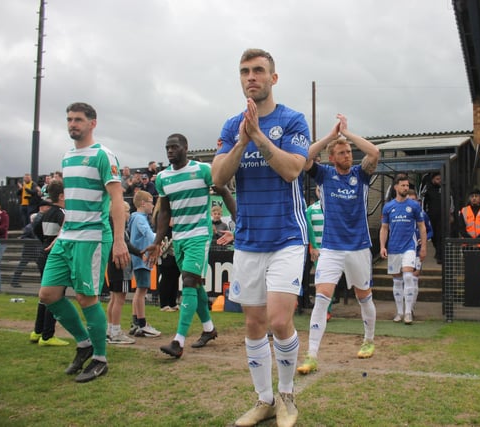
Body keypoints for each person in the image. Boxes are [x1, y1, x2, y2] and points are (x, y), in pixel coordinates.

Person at [212, 48, 309, 427]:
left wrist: (260, 139)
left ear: (273, 78)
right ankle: (263, 400)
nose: (251, 77)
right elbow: (218, 179)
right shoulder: (230, 125)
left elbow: (292, 170)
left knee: (280, 320)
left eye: (258, 71)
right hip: (249, 240)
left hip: (287, 236)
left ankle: (286, 396)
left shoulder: (293, 120)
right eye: (244, 72)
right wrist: (241, 140)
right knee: (253, 324)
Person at [39, 102, 130, 383]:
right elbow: (74, 201)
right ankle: (84, 344)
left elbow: (117, 199)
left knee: (85, 297)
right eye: (68, 119)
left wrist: (118, 241)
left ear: (93, 122)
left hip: (91, 237)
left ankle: (100, 359)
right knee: (48, 295)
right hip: (67, 237)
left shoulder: (103, 155)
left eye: (78, 119)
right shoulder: (67, 156)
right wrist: (60, 234)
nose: (72, 124)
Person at [297, 113, 380, 374]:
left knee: (363, 296)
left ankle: (368, 341)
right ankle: (311, 355)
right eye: (342, 152)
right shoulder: (324, 175)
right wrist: (331, 137)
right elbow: (304, 156)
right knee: (321, 298)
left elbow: (374, 152)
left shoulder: (361, 174)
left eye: (348, 151)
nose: (348, 155)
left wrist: (349, 134)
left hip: (358, 247)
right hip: (331, 248)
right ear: (332, 158)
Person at [146, 133, 235, 359]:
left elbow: (224, 190)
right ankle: (208, 329)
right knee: (194, 286)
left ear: (186, 148)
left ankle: (178, 341)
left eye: (174, 147)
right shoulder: (163, 178)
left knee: (188, 281)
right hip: (180, 237)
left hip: (199, 235)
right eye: (167, 148)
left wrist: (241, 222)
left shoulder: (202, 170)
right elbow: (164, 211)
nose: (170, 151)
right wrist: (157, 241)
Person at [379, 174, 427, 324]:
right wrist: (382, 246)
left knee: (408, 276)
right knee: (397, 281)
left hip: (409, 247)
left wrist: (423, 247)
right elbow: (384, 228)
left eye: (407, 185)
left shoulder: (414, 205)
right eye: (403, 185)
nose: (406, 188)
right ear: (396, 187)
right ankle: (399, 312)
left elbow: (422, 226)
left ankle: (408, 312)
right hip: (394, 247)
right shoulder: (388, 207)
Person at [30, 180, 68, 346]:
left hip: (44, 252)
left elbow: (36, 229)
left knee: (44, 295)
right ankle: (47, 335)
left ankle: (37, 331)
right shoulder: (61, 213)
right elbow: (66, 231)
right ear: (61, 196)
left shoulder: (46, 212)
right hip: (55, 255)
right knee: (55, 295)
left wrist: (46, 241)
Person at [127, 190, 161, 338]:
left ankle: (136, 323)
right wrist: (160, 239)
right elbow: (148, 233)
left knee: (139, 292)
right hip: (142, 259)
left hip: (139, 259)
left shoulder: (135, 218)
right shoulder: (140, 219)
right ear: (143, 203)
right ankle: (142, 324)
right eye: (150, 202)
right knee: (142, 291)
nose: (153, 205)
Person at [457, 188, 480, 319]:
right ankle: (470, 296)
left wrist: (479, 239)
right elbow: (461, 227)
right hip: (468, 245)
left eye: (476, 196)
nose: (474, 198)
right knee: (469, 271)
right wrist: (470, 240)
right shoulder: (463, 211)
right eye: (472, 196)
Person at [106, 200, 139, 345]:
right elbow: (128, 246)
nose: (128, 214)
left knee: (113, 298)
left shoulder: (111, 227)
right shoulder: (118, 229)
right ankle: (115, 331)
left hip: (113, 267)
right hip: (121, 268)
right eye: (127, 211)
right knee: (119, 299)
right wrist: (141, 252)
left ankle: (110, 329)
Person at [10, 201, 51, 288]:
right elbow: (23, 237)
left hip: (36, 251)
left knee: (41, 267)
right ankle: (14, 281)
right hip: (28, 251)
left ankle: (45, 283)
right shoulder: (28, 227)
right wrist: (33, 240)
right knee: (21, 266)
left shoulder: (37, 227)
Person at [422, 171, 452, 264]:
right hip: (431, 216)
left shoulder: (445, 188)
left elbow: (451, 200)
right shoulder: (427, 188)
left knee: (441, 235)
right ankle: (437, 251)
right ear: (433, 179)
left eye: (440, 179)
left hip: (442, 216)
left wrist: (450, 213)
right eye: (437, 179)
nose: (439, 181)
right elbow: (423, 201)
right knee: (434, 236)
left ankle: (440, 256)